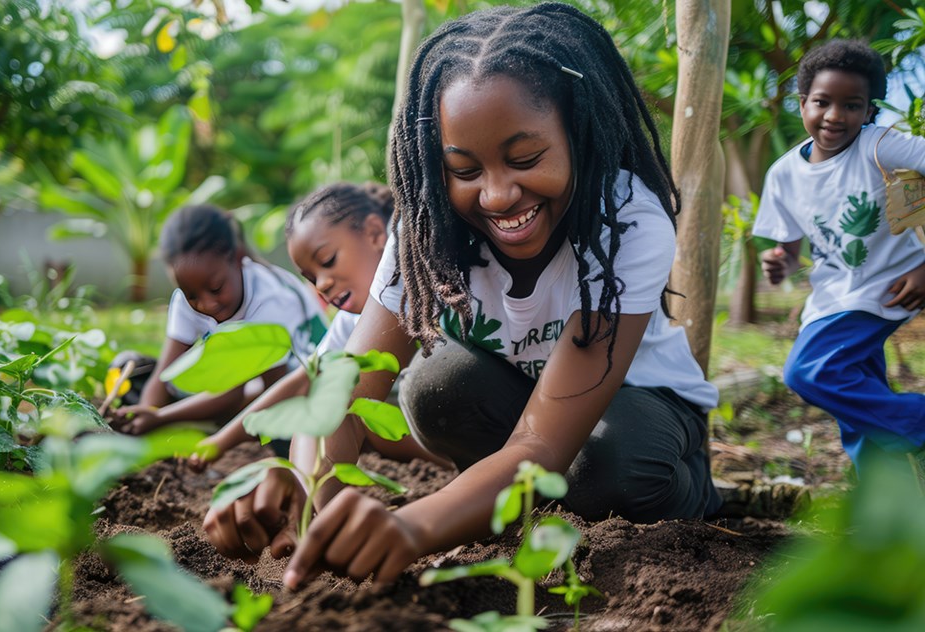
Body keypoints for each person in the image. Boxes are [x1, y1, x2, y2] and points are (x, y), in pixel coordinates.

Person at [203, 2, 721, 585]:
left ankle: (693, 488)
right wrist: (307, 488)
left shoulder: (624, 218)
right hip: (521, 406)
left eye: (525, 159)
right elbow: (341, 398)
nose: (498, 195)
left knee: (607, 467)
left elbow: (541, 441)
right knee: (435, 387)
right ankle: (505, 503)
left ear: (578, 132)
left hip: (639, 406)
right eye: (465, 170)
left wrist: (414, 527)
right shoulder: (427, 231)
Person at [754, 39, 925, 472]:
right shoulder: (784, 174)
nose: (834, 116)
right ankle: (887, 511)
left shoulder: (877, 146)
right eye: (822, 102)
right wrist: (780, 262)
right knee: (860, 411)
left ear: (869, 111)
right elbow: (792, 253)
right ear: (802, 103)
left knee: (809, 372)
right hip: (832, 295)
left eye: (852, 105)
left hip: (884, 289)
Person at [189, 182, 399, 468]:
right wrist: (222, 440)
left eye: (328, 260)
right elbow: (303, 379)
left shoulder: (419, 289)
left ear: (375, 234)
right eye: (311, 278)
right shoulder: (349, 322)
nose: (322, 284)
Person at [109, 204, 328, 435]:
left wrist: (161, 417)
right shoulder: (187, 298)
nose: (206, 304)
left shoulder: (269, 299)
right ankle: (191, 422)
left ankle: (198, 426)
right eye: (191, 295)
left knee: (270, 405)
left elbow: (246, 394)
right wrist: (145, 414)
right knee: (131, 372)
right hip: (233, 389)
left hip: (290, 385)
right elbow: (165, 373)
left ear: (236, 258)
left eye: (216, 288)